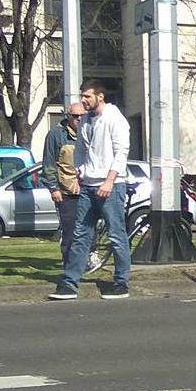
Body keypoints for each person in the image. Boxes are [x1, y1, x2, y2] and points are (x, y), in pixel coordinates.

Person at [50, 81, 133, 300]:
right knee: (80, 234)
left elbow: (121, 153)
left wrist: (109, 181)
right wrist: (80, 171)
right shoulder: (85, 120)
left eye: (87, 96)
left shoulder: (115, 119)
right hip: (88, 185)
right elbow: (81, 150)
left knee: (116, 235)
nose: (83, 100)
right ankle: (70, 283)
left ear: (100, 96)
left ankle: (121, 282)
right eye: (82, 96)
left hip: (111, 187)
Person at [38, 102, 87, 266]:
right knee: (70, 230)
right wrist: (53, 188)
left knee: (88, 229)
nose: (79, 118)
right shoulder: (55, 135)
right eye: (75, 116)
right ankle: (69, 263)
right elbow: (49, 164)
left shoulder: (90, 132)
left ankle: (86, 259)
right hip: (66, 192)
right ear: (68, 116)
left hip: (88, 190)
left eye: (82, 115)